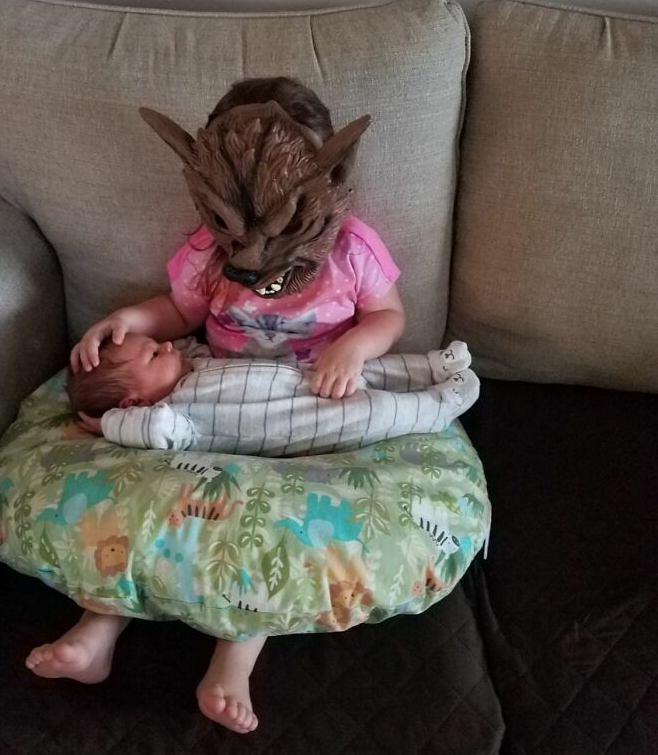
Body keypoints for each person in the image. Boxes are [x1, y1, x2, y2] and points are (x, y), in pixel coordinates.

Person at [31, 77, 479, 734]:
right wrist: (128, 320)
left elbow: (388, 316)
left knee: (271, 534)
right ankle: (95, 631)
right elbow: (179, 310)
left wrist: (354, 346)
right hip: (210, 401)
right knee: (146, 514)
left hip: (307, 404)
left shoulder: (351, 249)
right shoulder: (209, 252)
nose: (253, 247)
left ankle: (232, 664)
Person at [70, 333, 479, 456]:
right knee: (376, 412)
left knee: (366, 367)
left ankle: (431, 367)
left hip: (304, 376)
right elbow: (153, 429)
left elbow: (184, 342)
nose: (166, 346)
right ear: (134, 403)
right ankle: (438, 407)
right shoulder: (174, 418)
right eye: (153, 353)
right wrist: (110, 424)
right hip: (309, 425)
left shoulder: (190, 364)